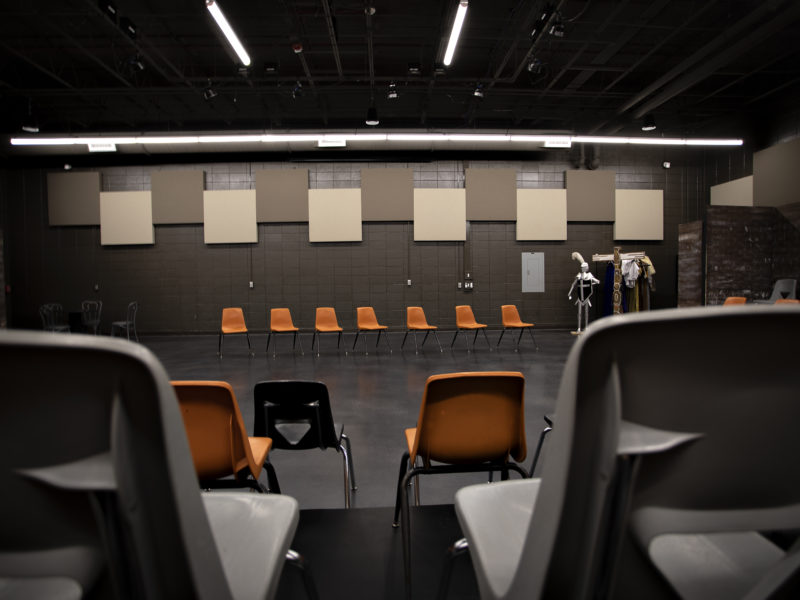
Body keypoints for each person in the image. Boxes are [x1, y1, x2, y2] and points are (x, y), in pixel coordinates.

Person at [567, 252, 600, 334]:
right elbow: (573, 284)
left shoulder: (590, 275)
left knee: (586, 312)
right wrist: (569, 293)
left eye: (584, 267)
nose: (583, 269)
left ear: (587, 268)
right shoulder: (579, 275)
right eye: (582, 268)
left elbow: (598, 281)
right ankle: (579, 328)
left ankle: (586, 328)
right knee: (579, 313)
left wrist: (591, 283)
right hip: (580, 296)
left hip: (586, 295)